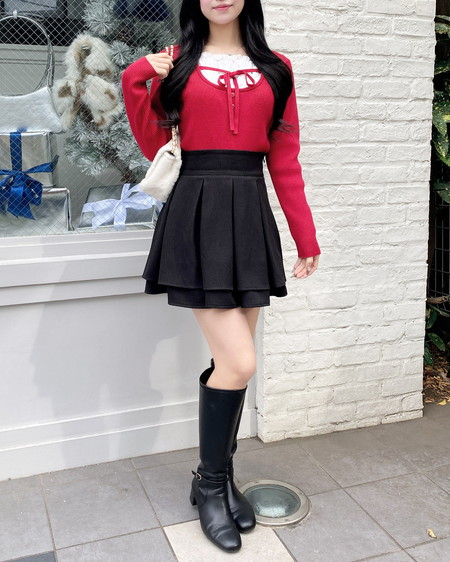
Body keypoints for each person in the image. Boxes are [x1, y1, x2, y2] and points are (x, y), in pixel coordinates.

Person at [121, 0, 321, 553]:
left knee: (230, 363)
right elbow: (152, 143)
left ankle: (218, 480)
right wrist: (138, 76)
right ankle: (210, 486)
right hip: (198, 211)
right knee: (239, 362)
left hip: (250, 214)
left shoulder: (276, 68)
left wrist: (305, 235)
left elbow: (285, 158)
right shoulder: (176, 62)